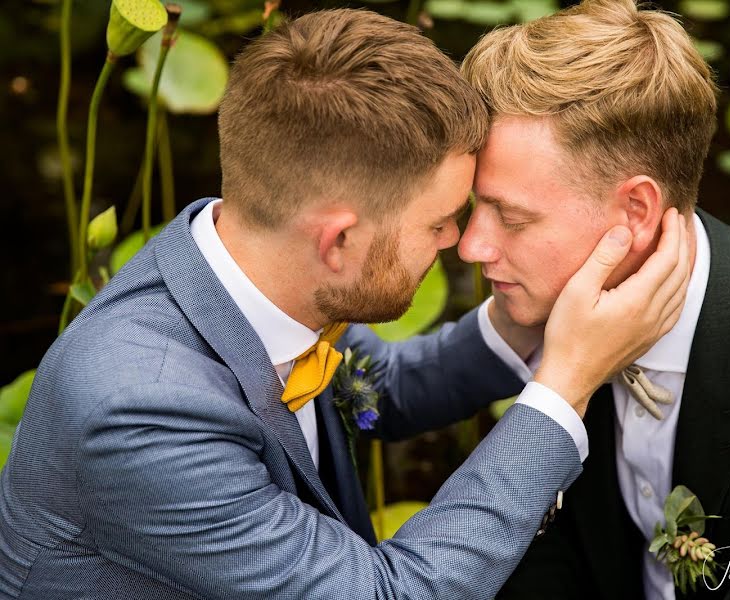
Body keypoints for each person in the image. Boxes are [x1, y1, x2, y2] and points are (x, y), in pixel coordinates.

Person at [0, 9, 691, 599]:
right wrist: (564, 383)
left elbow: (376, 392)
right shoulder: (141, 412)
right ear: (338, 240)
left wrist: (521, 324)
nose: (464, 244)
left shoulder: (252, 271)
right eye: (442, 221)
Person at [457, 1, 730, 598]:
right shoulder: (549, 300)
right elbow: (554, 559)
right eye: (471, 207)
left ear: (635, 211)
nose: (471, 247)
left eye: (511, 217)